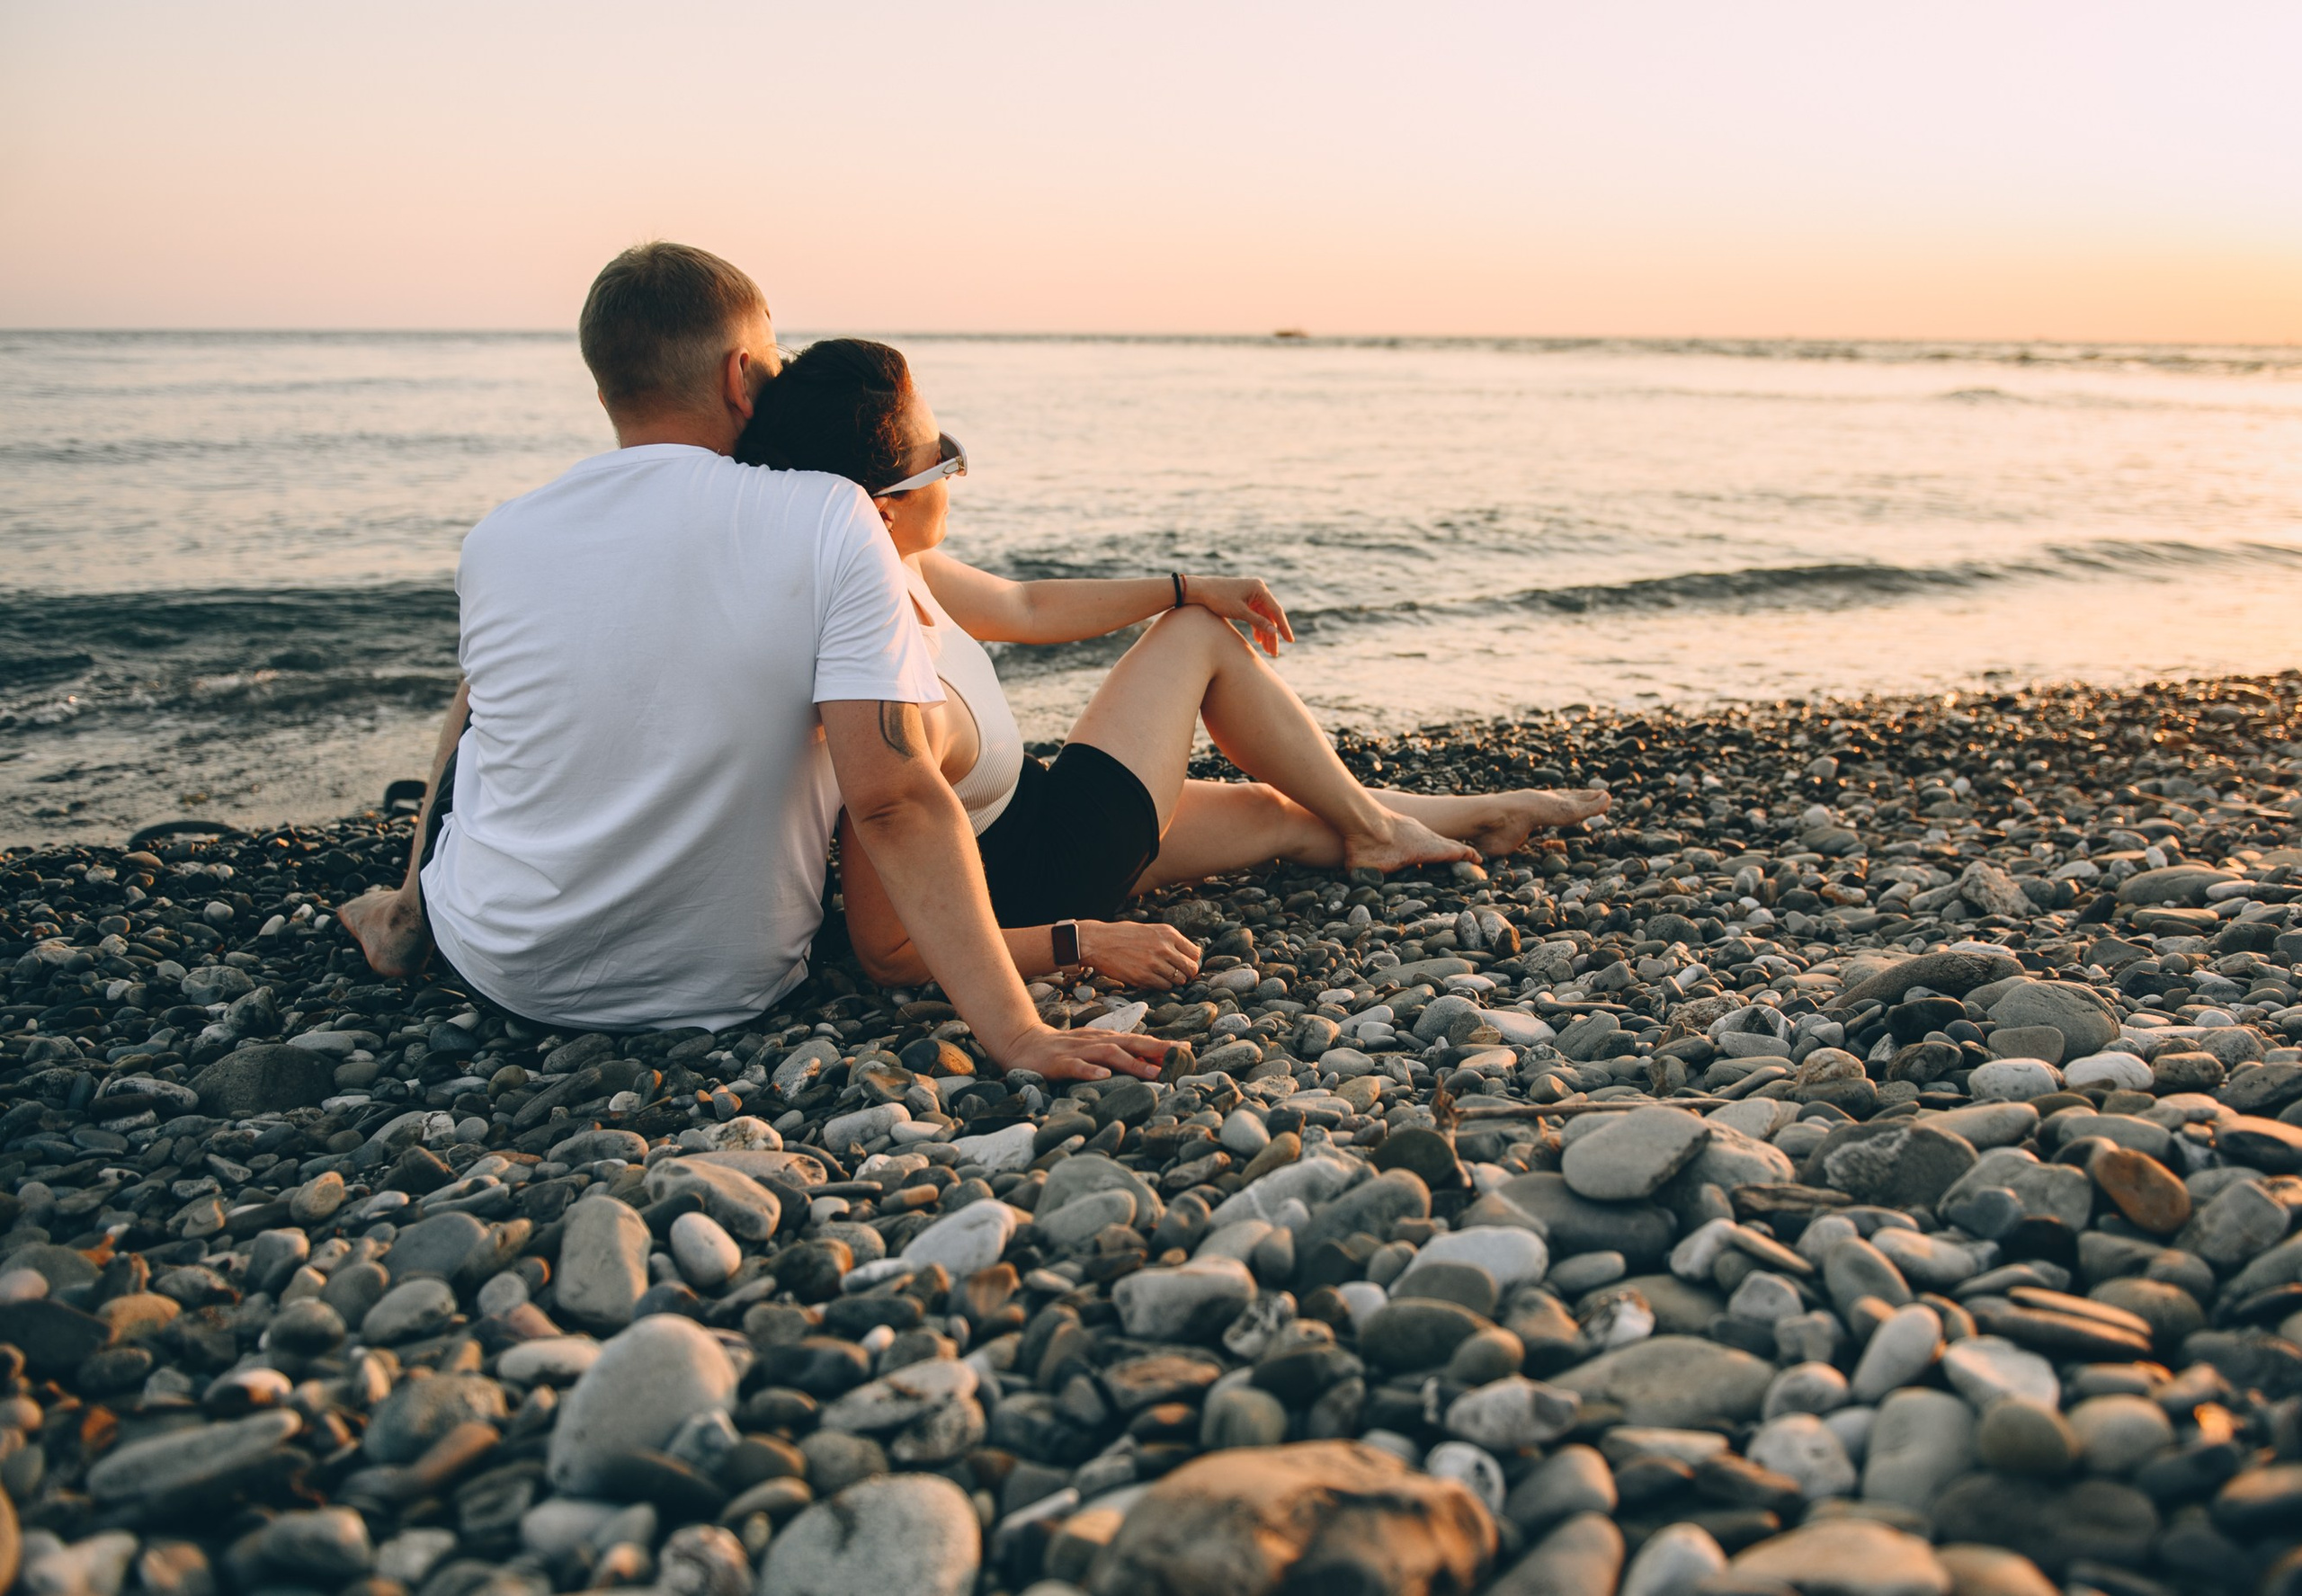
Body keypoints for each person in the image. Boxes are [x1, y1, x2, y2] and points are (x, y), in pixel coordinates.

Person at [339, 245, 1165, 1083]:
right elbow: (892, 800)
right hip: (728, 982)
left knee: (482, 692)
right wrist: (1019, 1034)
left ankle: (407, 912)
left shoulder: (498, 538)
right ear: (742, 377)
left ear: (606, 389)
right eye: (772, 364)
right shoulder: (830, 515)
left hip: (503, 964)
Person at [734, 339, 1611, 991]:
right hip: (1043, 877)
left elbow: (1026, 606)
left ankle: (1480, 818)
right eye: (944, 458)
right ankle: (1382, 827)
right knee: (1194, 638)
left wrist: (1187, 582)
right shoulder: (878, 677)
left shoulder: (899, 570)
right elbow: (888, 952)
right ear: (882, 509)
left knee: (1277, 812)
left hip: (1040, 819)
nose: (957, 475)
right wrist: (1081, 941)